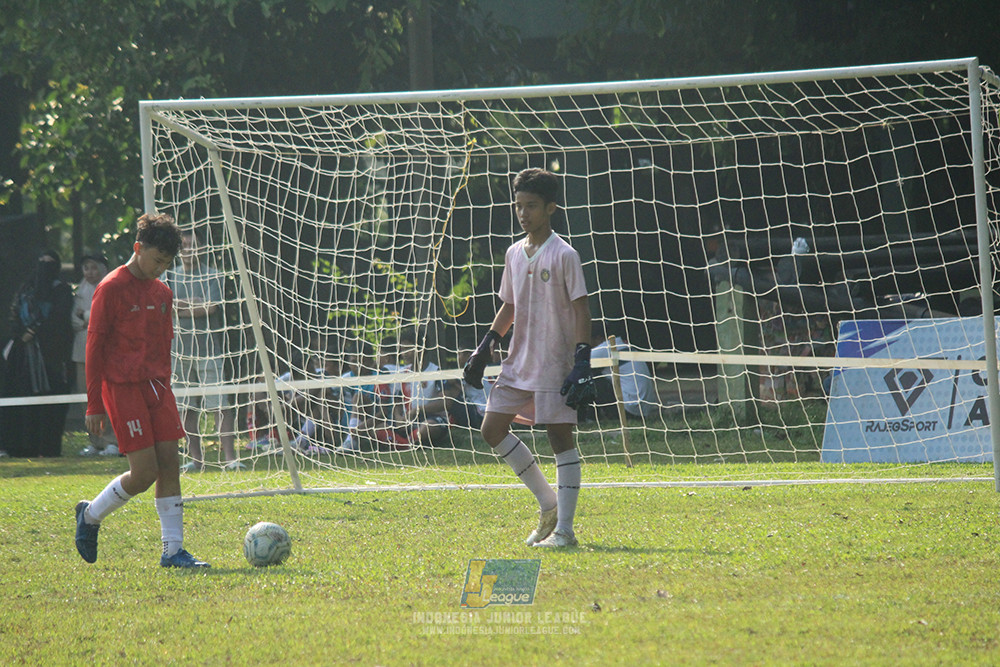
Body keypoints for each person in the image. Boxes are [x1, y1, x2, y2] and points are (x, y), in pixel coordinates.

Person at [463, 168, 595, 549]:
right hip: (518, 359)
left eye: (531, 206)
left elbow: (582, 309)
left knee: (559, 437)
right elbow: (510, 305)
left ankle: (566, 531)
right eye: (518, 205)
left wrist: (582, 359)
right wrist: (487, 342)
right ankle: (548, 503)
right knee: (492, 429)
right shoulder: (513, 253)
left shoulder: (565, 254)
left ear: (551, 208)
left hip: (555, 361)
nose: (523, 213)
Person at [74, 213, 210, 568]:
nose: (161, 269)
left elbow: (162, 345)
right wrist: (94, 404)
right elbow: (94, 348)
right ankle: (90, 515)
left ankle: (173, 551)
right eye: (157, 260)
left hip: (158, 388)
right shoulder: (111, 287)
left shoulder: (162, 292)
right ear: (138, 248)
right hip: (122, 389)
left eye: (167, 263)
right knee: (145, 473)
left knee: (171, 465)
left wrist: (165, 388)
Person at [164, 230, 241, 472]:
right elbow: (167, 308)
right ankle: (196, 459)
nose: (189, 249)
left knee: (219, 404)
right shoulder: (169, 276)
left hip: (209, 348)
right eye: (184, 245)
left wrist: (183, 307)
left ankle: (229, 457)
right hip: (178, 350)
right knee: (185, 407)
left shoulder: (213, 275)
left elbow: (210, 308)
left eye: (194, 245)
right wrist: (192, 304)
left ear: (203, 248)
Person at [0, 250, 74, 457]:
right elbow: (14, 313)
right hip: (23, 357)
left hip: (51, 358)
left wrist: (35, 332)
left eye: (50, 263)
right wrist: (22, 333)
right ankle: (19, 446)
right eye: (41, 262)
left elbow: (60, 319)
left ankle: (46, 448)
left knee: (49, 405)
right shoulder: (26, 288)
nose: (45, 267)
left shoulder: (62, 290)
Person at [71, 254, 118, 456]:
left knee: (107, 396)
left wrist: (87, 316)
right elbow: (73, 320)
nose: (90, 272)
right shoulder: (80, 290)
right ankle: (95, 441)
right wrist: (86, 319)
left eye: (94, 267)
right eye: (86, 268)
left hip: (106, 351)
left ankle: (112, 441)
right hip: (82, 351)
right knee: (87, 397)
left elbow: (107, 318)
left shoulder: (111, 287)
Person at [588, 328, 656, 419]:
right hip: (642, 410)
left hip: (629, 410)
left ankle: (590, 417)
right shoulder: (625, 346)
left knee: (588, 377)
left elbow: (578, 361)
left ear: (599, 338)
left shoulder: (605, 348)